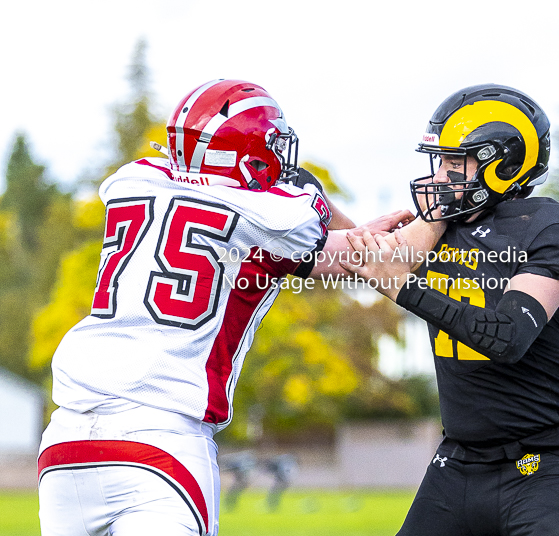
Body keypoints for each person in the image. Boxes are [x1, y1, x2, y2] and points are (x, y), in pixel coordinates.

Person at [36, 79, 412, 536]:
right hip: (160, 439)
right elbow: (314, 226)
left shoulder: (133, 180)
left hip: (66, 443)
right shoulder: (275, 213)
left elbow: (251, 232)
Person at [343, 84, 559, 536]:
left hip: (548, 466)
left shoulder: (556, 229)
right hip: (460, 462)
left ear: (503, 164)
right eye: (440, 163)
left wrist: (402, 286)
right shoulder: (438, 227)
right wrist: (313, 205)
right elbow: (360, 258)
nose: (440, 177)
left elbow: (507, 337)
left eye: (453, 163)